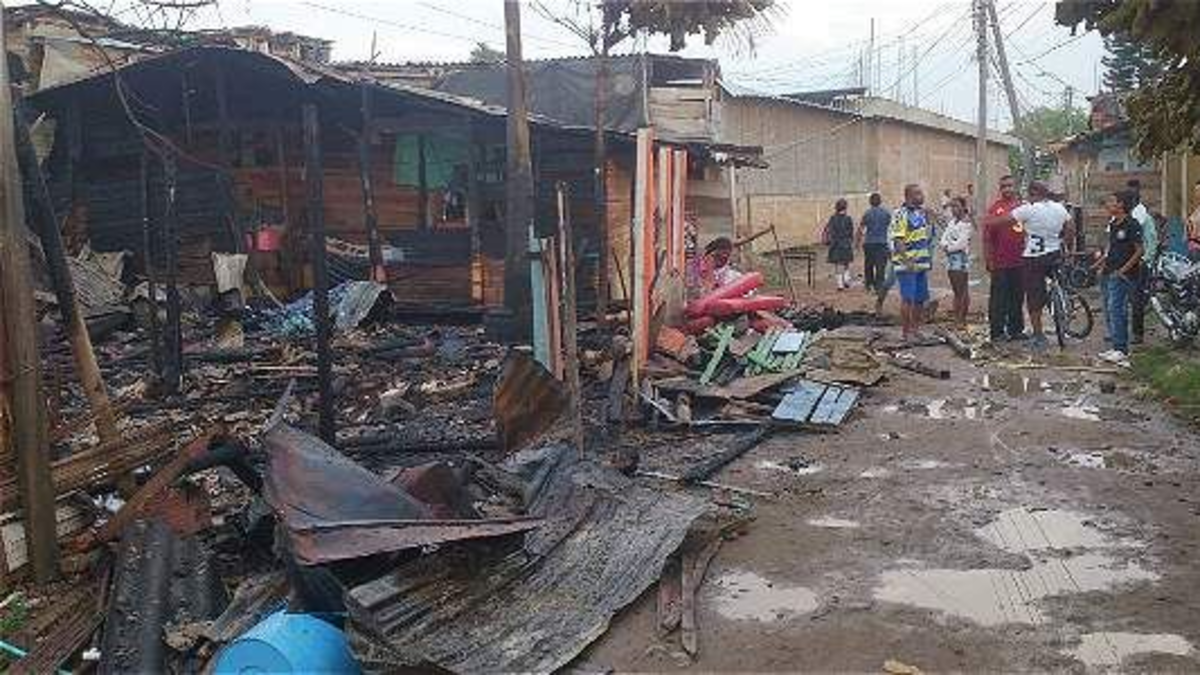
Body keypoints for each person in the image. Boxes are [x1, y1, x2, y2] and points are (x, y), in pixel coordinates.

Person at [988, 180, 1074, 351]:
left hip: (1034, 258)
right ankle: (1062, 298)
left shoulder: (1028, 209)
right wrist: (1066, 245)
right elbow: (1070, 227)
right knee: (1057, 279)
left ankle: (1039, 335)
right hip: (1054, 254)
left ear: (1033, 193)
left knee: (1034, 297)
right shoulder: (1059, 208)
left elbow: (1001, 221)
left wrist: (986, 220)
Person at [1093, 190, 1144, 365]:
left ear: (1121, 204)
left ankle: (1121, 349)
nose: (1108, 204)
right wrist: (1100, 264)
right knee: (1111, 309)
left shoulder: (1132, 224)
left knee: (1117, 309)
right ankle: (1116, 346)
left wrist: (1123, 270)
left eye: (1111, 201)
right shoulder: (1114, 223)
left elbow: (1139, 250)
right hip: (1109, 272)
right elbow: (1111, 249)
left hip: (1123, 275)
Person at [981, 175, 1026, 342]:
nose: (1007, 189)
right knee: (998, 299)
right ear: (1000, 189)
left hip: (1020, 262)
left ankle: (1016, 330)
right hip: (1000, 262)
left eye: (1010, 185)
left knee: (1017, 297)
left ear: (1016, 187)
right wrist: (988, 259)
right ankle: (997, 332)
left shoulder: (1023, 208)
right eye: (1004, 186)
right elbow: (987, 238)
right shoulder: (995, 210)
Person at [890, 183, 933, 342]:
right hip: (907, 264)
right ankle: (906, 333)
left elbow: (925, 237)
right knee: (908, 298)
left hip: (921, 263)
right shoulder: (900, 214)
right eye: (918, 194)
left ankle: (916, 329)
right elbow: (898, 240)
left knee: (920, 298)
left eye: (921, 193)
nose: (922, 196)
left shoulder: (920, 213)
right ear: (909, 196)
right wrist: (907, 261)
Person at [1125, 179, 1157, 344]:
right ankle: (1131, 331)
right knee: (1132, 298)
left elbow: (1151, 241)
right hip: (1131, 263)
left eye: (1132, 195)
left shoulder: (1143, 216)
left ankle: (1138, 334)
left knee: (1137, 298)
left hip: (1140, 263)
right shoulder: (1132, 215)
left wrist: (1145, 260)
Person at [940, 196, 972, 329]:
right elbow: (943, 238)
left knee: (961, 291)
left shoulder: (967, 224)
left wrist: (948, 247)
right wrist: (946, 245)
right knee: (957, 290)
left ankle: (961, 320)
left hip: (960, 259)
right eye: (952, 206)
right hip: (951, 259)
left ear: (963, 207)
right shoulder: (952, 222)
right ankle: (958, 319)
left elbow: (961, 243)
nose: (953, 209)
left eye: (956, 206)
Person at [857, 192, 891, 292]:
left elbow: (861, 229)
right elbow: (891, 228)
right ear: (880, 201)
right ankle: (879, 285)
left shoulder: (867, 213)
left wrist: (857, 242)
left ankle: (869, 283)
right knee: (881, 265)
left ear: (870, 202)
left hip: (869, 243)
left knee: (869, 264)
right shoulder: (886, 213)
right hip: (882, 243)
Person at [824, 198, 855, 289]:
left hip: (836, 244)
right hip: (846, 243)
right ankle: (846, 280)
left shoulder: (833, 218)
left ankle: (840, 284)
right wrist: (850, 241)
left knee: (837, 264)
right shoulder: (848, 219)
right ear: (845, 207)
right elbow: (851, 232)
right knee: (846, 263)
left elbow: (830, 230)